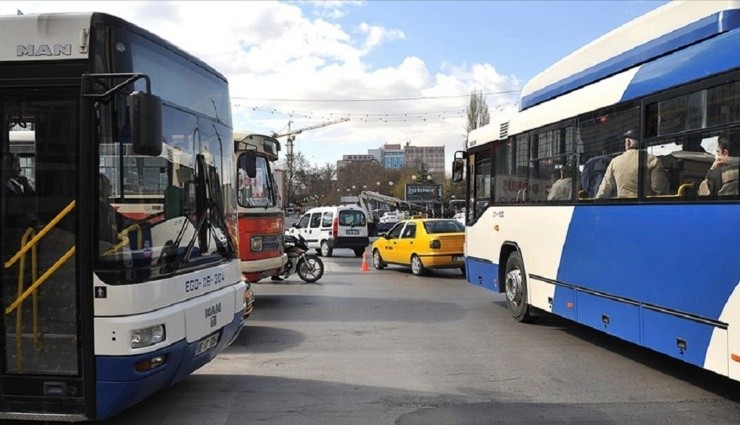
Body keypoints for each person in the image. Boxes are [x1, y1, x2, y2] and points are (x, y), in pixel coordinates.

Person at [596, 129, 669, 199]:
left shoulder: (615, 162)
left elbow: (604, 190)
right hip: (645, 206)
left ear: (628, 142)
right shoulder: (653, 160)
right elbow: (659, 189)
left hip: (622, 206)